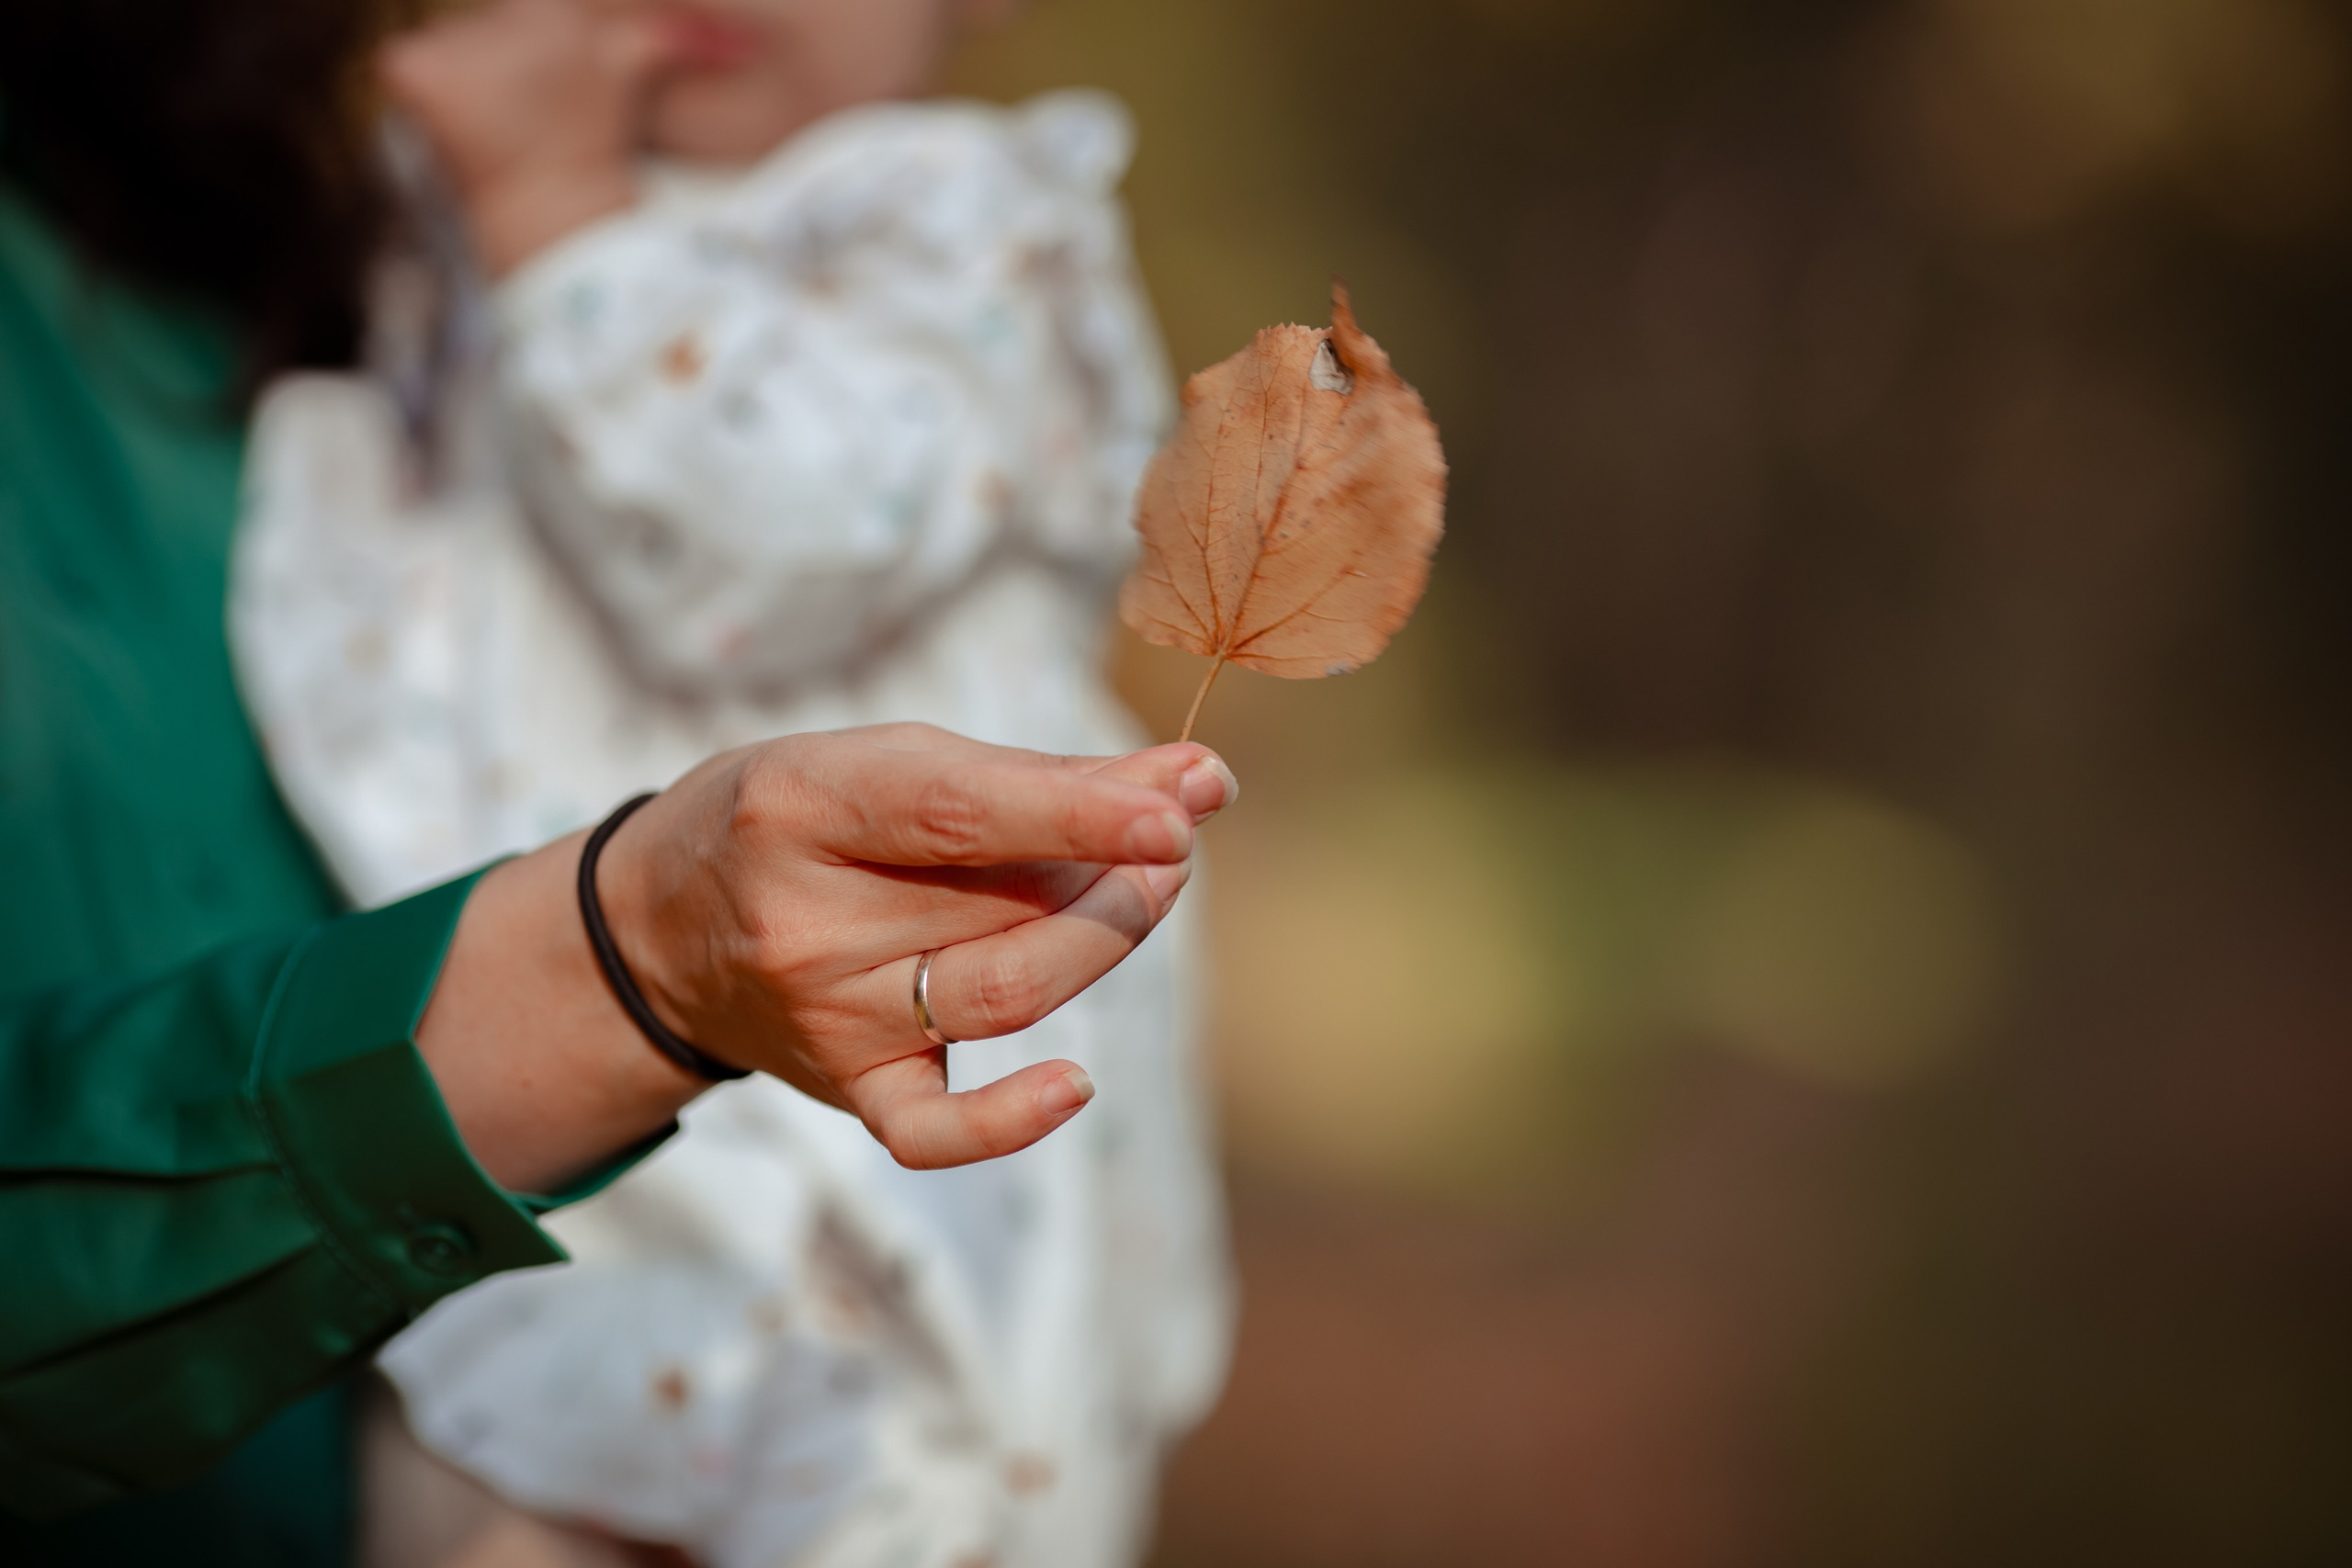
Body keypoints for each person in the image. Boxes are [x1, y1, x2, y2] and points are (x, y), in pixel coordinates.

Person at [0, 3, 1235, 1564]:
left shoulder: (967, 230)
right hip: (542, 1092)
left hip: (866, 1120)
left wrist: (542, 205)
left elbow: (764, 541)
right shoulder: (421, 218)